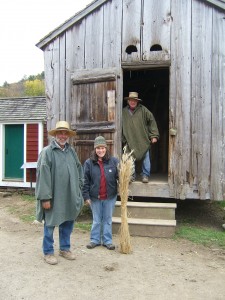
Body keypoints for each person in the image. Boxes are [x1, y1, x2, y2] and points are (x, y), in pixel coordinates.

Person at [35, 121, 84, 265]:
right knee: (50, 224)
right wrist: (45, 198)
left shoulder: (71, 151)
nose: (63, 136)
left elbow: (79, 168)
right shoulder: (47, 152)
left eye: (65, 133)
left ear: (68, 135)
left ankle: (64, 248)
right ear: (55, 135)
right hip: (54, 196)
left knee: (68, 222)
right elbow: (43, 176)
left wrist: (78, 187)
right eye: (60, 133)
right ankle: (48, 252)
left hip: (70, 195)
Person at [82, 136, 119, 250]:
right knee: (97, 220)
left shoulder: (113, 161)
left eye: (102, 147)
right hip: (95, 197)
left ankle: (107, 241)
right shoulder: (89, 163)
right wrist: (86, 196)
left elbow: (121, 175)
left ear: (106, 148)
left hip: (110, 196)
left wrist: (128, 179)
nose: (100, 150)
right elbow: (85, 181)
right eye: (98, 148)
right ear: (95, 149)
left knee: (107, 219)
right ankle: (95, 240)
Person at [122, 91, 159, 183]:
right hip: (130, 139)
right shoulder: (123, 112)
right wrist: (122, 138)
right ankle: (131, 176)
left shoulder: (143, 110)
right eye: (131, 100)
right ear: (128, 101)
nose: (132, 102)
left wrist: (154, 135)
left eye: (134, 100)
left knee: (146, 157)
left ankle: (145, 175)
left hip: (142, 139)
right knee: (129, 158)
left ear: (137, 101)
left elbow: (152, 121)